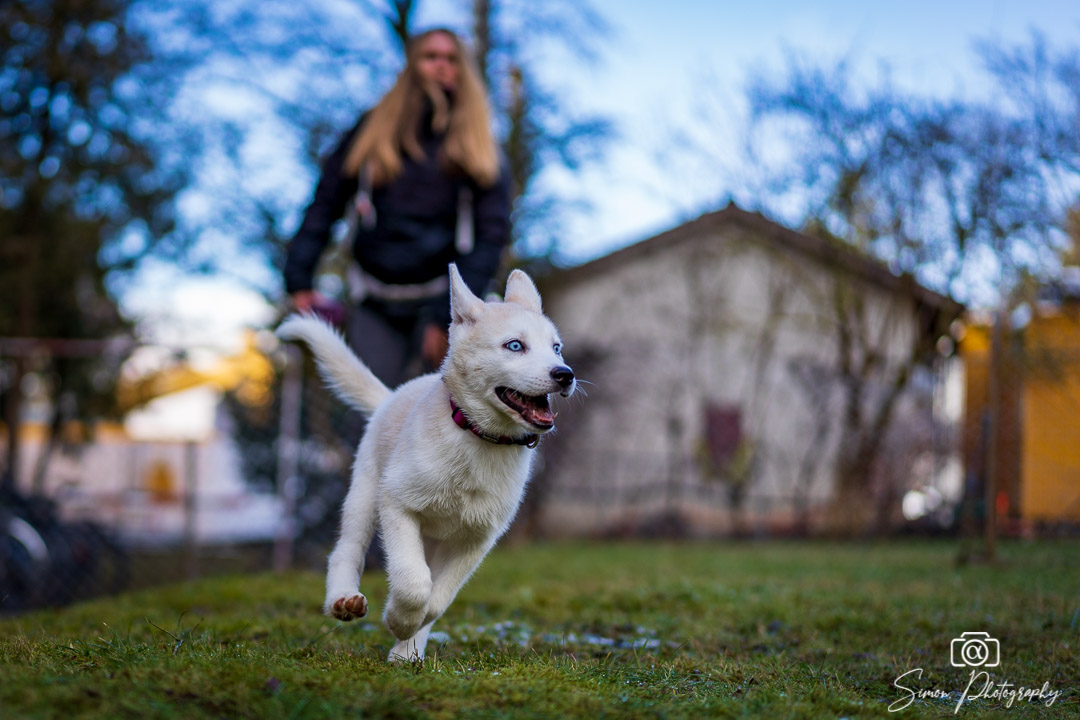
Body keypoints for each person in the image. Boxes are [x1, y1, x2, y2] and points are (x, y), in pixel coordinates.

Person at [283, 28, 511, 388]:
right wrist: (299, 278)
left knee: (440, 417)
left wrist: (447, 314)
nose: (440, 66)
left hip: (443, 300)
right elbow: (326, 203)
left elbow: (492, 234)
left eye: (451, 59)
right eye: (430, 56)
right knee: (372, 412)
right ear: (412, 65)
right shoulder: (371, 130)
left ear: (463, 69)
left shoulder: (478, 145)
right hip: (375, 298)